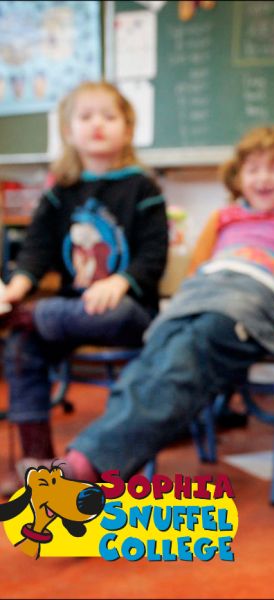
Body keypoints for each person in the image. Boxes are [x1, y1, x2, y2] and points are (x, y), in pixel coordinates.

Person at [61, 125, 274, 481]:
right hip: (202, 293)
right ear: (237, 176)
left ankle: (86, 463)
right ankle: (88, 459)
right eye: (253, 169)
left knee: (188, 351)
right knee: (154, 356)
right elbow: (196, 270)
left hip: (249, 300)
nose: (264, 178)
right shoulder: (222, 217)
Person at [1, 81, 169, 491]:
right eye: (86, 117)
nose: (97, 125)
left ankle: (18, 318)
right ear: (68, 130)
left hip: (126, 313)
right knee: (22, 346)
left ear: (127, 129)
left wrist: (121, 282)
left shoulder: (143, 188)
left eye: (108, 117)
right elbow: (36, 251)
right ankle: (37, 462)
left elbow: (153, 256)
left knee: (102, 312)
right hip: (65, 316)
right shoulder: (61, 191)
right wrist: (14, 288)